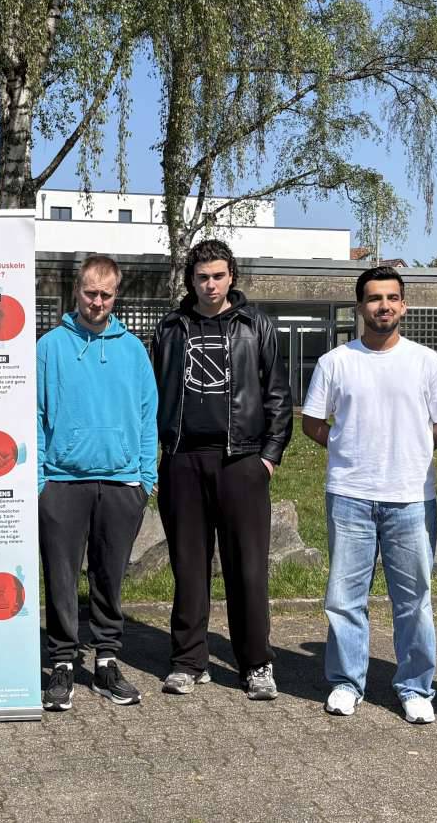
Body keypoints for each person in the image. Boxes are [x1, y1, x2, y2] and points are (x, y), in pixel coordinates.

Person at [301, 265, 437, 725]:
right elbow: (312, 422)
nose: (383, 306)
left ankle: (415, 687)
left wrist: (411, 451)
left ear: (403, 306)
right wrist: (346, 447)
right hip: (349, 495)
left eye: (392, 298)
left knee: (414, 600)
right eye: (374, 298)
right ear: (360, 307)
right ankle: (346, 683)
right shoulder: (336, 362)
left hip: (411, 497)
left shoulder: (426, 362)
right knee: (344, 597)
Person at [151, 239, 292, 700]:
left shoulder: (257, 325)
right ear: (190, 281)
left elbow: (277, 394)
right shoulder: (170, 328)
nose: (210, 285)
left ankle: (256, 663)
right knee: (188, 567)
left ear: (231, 277)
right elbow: (152, 394)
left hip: (242, 460)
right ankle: (189, 661)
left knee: (247, 569)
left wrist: (268, 457)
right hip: (182, 460)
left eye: (218, 276)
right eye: (202, 277)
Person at [36, 254, 158, 711]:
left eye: (106, 295)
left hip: (122, 482)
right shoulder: (50, 347)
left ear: (115, 295)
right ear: (77, 291)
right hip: (62, 481)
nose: (97, 302)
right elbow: (36, 413)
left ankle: (106, 661)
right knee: (61, 576)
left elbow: (148, 415)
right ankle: (62, 663)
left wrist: (145, 478)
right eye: (90, 293)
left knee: (110, 576)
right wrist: (40, 479)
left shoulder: (133, 350)